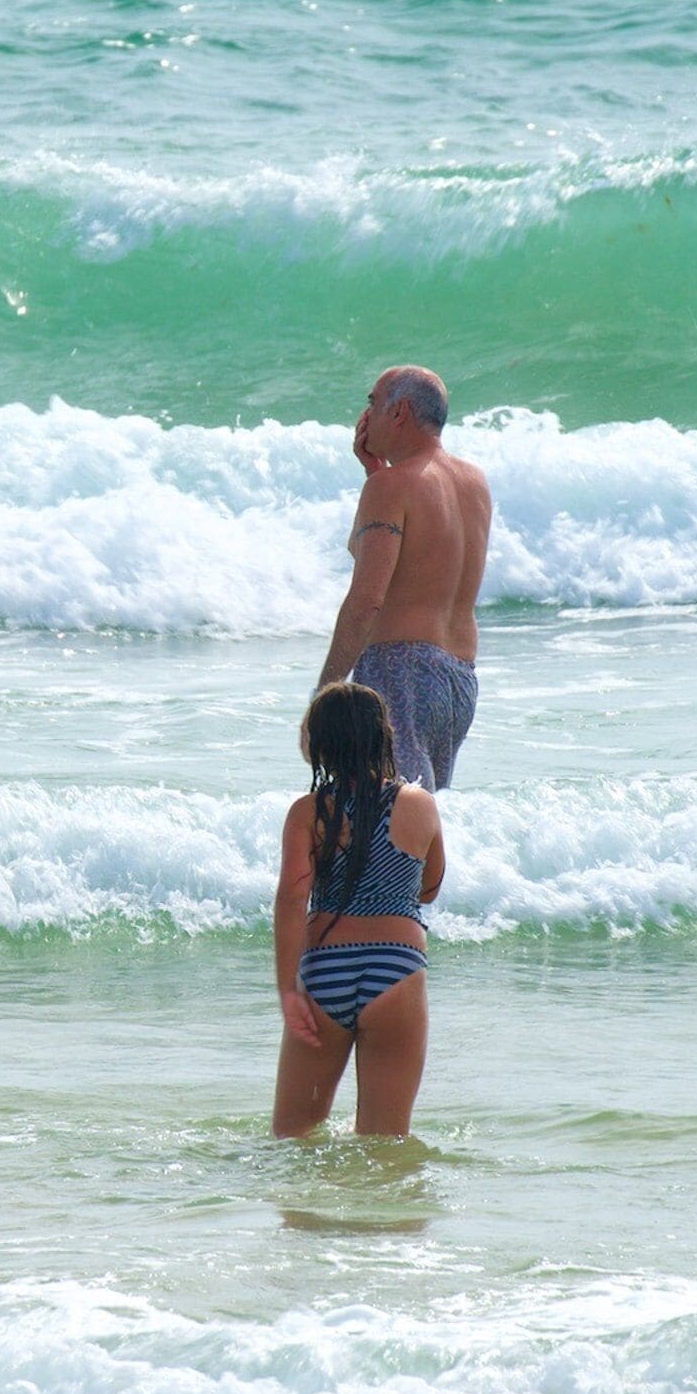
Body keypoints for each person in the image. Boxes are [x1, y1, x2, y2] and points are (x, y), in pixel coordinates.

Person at [274, 681, 446, 1138]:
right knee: (386, 1140)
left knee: (293, 1133)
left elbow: (292, 900)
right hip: (396, 968)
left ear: (321, 745)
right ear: (383, 737)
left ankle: (303, 1211)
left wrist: (288, 990)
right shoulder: (419, 804)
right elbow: (428, 888)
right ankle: (384, 1212)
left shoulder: (309, 812)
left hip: (326, 966)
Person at [319, 365, 493, 788]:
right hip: (458, 679)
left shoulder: (391, 489)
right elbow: (391, 553)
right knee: (423, 823)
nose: (365, 415)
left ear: (399, 413)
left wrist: (325, 693)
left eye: (372, 403)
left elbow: (367, 598)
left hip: (402, 673)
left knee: (392, 824)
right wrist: (375, 473)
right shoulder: (474, 483)